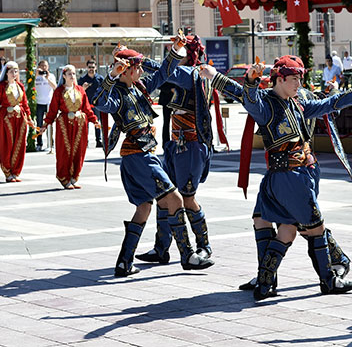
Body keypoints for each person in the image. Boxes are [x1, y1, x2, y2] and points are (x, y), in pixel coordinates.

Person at [235, 55, 352, 300]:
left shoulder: (297, 103)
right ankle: (329, 281)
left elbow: (328, 103)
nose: (299, 84)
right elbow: (250, 101)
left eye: (300, 79)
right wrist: (251, 80)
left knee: (286, 229)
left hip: (291, 176)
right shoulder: (267, 105)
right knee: (315, 228)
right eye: (294, 79)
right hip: (289, 178)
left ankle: (265, 285)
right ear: (281, 78)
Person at [92, 36, 214, 277]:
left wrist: (177, 49)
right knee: (176, 200)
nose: (140, 70)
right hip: (139, 158)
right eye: (136, 67)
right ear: (125, 70)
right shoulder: (117, 94)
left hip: (139, 157)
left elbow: (164, 71)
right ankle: (187, 255)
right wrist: (111, 77)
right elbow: (98, 101)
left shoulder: (139, 87)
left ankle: (124, 262)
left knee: (144, 208)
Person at [136, 35, 238, 265]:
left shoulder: (192, 74)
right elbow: (164, 70)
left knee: (188, 198)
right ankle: (161, 248)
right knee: (166, 195)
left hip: (190, 145)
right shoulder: (188, 73)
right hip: (176, 143)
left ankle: (204, 247)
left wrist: (138, 59)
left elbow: (165, 71)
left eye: (179, 52)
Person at [40, 65, 99, 189]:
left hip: (80, 124)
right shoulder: (59, 91)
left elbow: (86, 108)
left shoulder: (80, 90)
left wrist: (94, 121)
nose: (72, 76)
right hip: (64, 124)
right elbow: (53, 110)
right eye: (69, 74)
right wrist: (46, 124)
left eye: (73, 74)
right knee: (64, 150)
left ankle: (74, 177)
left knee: (79, 149)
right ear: (64, 76)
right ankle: (64, 177)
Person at [0, 61, 35, 182]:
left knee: (19, 143)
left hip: (20, 118)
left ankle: (16, 171)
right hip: (6, 118)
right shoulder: (1, 87)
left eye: (16, 71)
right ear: (6, 73)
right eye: (12, 71)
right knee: (7, 144)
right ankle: (7, 171)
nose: (14, 73)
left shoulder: (20, 86)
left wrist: (29, 118)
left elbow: (25, 103)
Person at [78, 59, 104, 148]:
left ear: (96, 67)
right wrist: (83, 88)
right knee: (85, 124)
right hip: (86, 105)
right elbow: (77, 92)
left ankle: (98, 140)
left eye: (93, 67)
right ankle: (85, 141)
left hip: (97, 105)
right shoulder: (82, 79)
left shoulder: (100, 79)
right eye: (89, 67)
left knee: (97, 122)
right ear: (86, 68)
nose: (91, 69)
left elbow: (105, 90)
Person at [34, 60, 57, 151]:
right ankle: (39, 143)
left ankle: (51, 143)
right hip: (39, 102)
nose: (44, 68)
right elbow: (30, 84)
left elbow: (55, 87)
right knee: (39, 124)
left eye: (45, 66)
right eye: (42, 66)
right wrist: (36, 74)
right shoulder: (36, 76)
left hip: (48, 102)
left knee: (49, 124)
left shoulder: (51, 76)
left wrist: (47, 78)